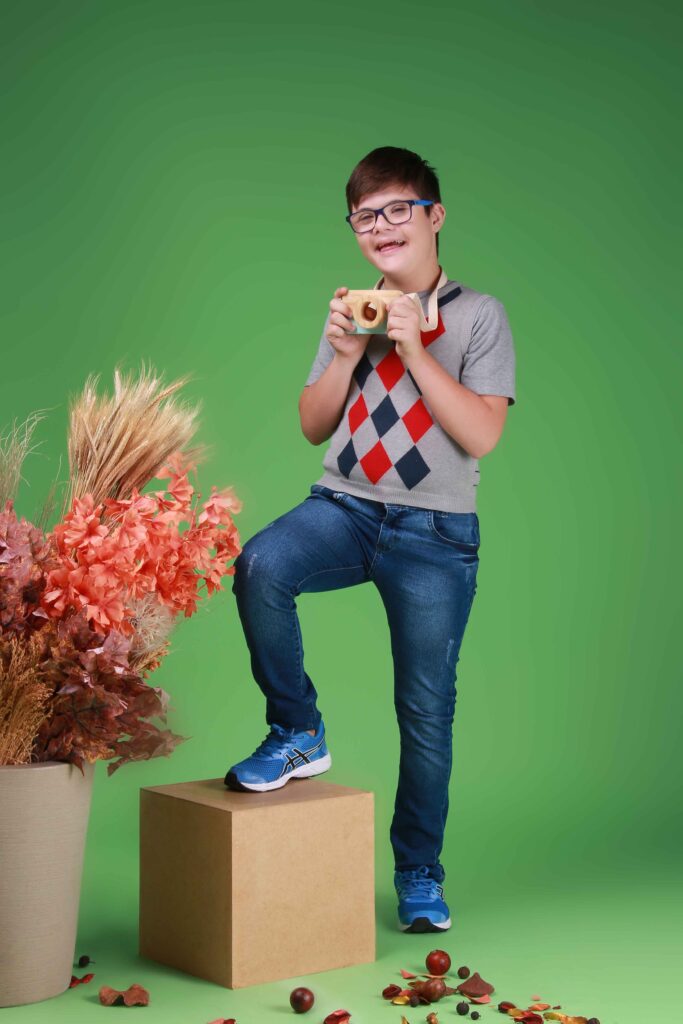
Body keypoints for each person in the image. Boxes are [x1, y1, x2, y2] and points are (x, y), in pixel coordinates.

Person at [226, 146, 516, 933]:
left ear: (433, 215)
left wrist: (415, 349)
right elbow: (312, 423)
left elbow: (481, 434)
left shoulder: (478, 315)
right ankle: (297, 729)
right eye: (364, 217)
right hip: (345, 508)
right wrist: (348, 353)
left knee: (424, 712)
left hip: (434, 535)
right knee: (260, 565)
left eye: (396, 210)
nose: (381, 227)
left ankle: (418, 872)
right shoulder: (350, 309)